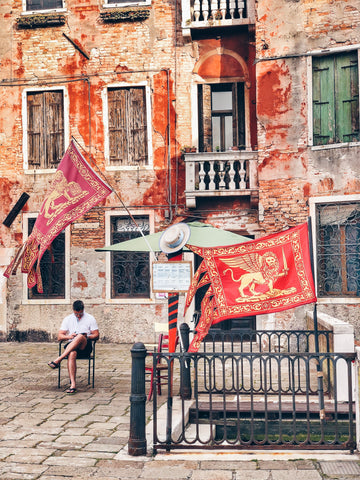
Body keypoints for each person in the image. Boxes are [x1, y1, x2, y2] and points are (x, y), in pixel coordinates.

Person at [48, 300, 99, 394]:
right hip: (71, 345)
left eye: (80, 314)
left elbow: (96, 335)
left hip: (85, 345)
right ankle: (73, 385)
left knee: (80, 336)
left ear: (83, 310)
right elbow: (60, 337)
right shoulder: (68, 319)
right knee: (72, 354)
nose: (78, 316)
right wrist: (69, 336)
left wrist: (86, 335)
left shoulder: (90, 318)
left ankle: (58, 359)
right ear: (73, 311)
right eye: (76, 314)